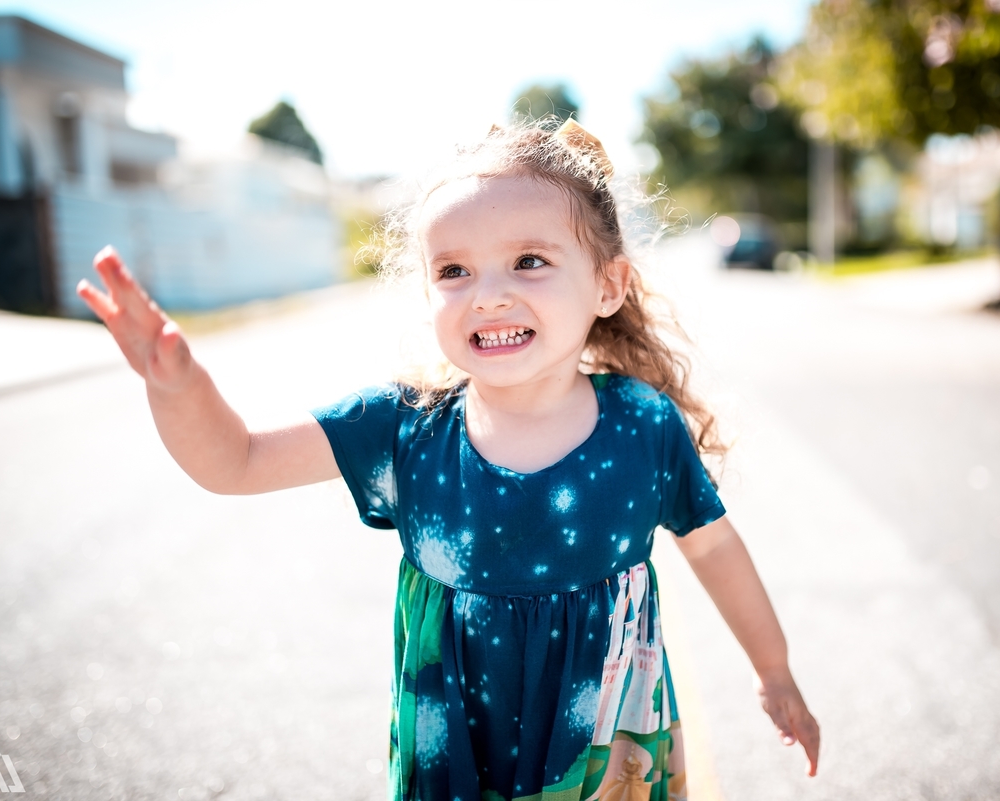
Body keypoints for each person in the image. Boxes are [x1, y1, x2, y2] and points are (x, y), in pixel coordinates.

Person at [76, 119, 819, 801]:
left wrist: (774, 668)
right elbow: (233, 462)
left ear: (607, 284)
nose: (488, 295)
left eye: (529, 261)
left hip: (603, 747)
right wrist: (176, 385)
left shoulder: (641, 425)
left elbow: (713, 544)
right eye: (454, 271)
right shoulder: (406, 427)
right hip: (458, 755)